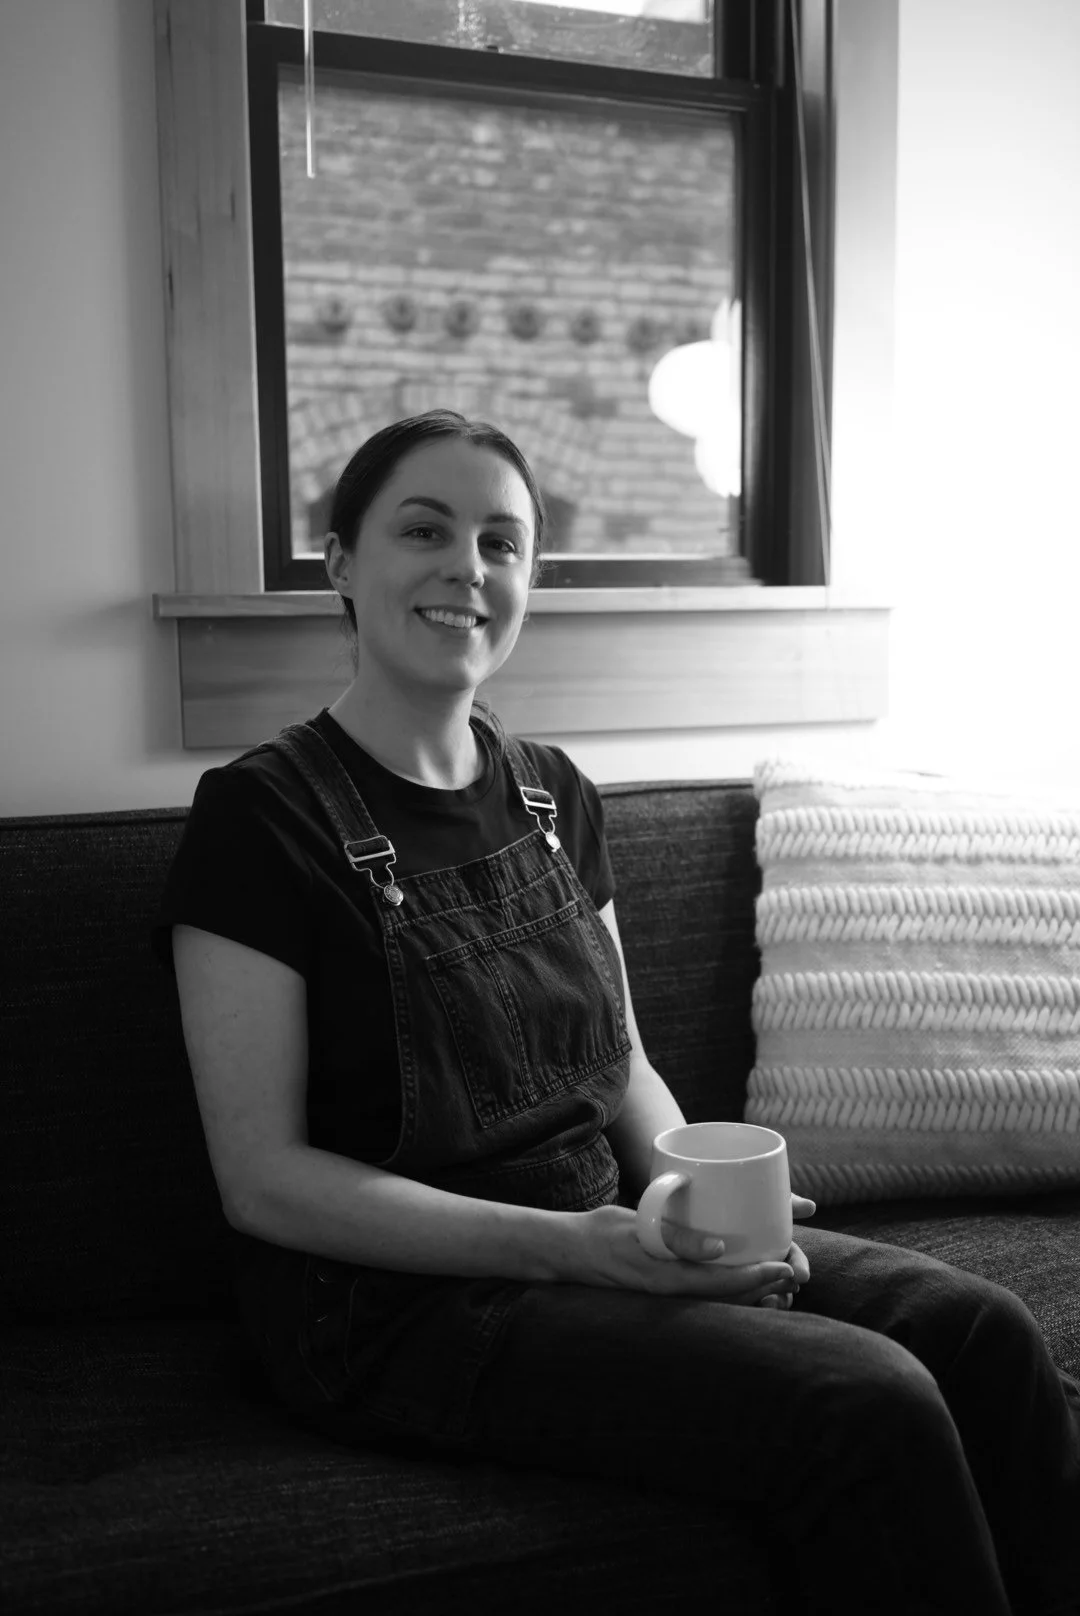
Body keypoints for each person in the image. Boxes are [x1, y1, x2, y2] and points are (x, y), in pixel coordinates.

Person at [153, 408, 1080, 1616]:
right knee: (866, 1401)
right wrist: (579, 1249)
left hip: (602, 1234)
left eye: (502, 542)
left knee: (981, 1327)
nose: (467, 567)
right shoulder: (257, 818)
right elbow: (263, 1180)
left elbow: (624, 1058)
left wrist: (700, 1197)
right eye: (424, 530)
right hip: (394, 1308)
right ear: (341, 560)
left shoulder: (554, 794)